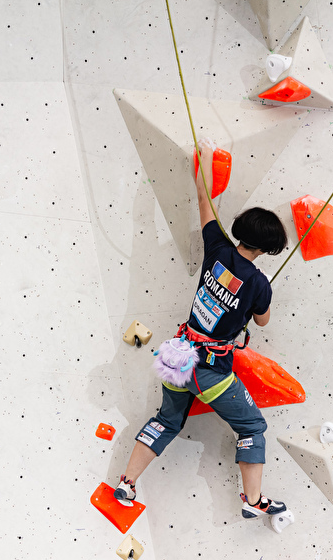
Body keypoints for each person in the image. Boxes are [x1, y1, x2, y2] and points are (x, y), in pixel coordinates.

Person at [114, 152, 288, 521]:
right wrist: (262, 296)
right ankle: (253, 500)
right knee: (252, 425)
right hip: (208, 370)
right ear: (268, 248)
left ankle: (127, 482)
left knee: (167, 420)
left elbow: (204, 199)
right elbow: (262, 323)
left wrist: (205, 156)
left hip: (177, 355)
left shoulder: (218, 249)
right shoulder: (258, 283)